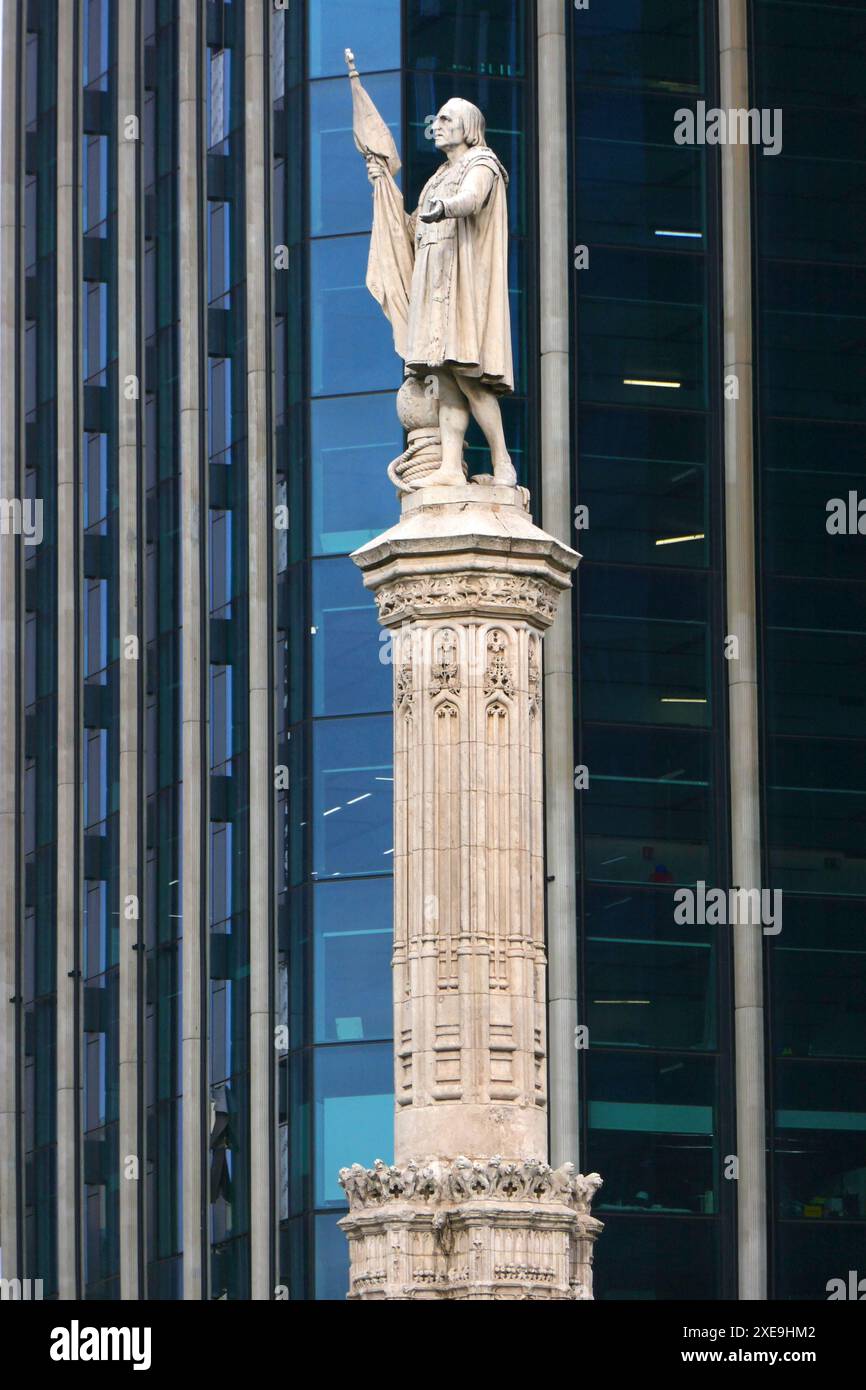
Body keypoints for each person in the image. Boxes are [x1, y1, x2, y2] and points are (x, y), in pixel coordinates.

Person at [365, 98, 516, 487]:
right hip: (434, 286)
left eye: (447, 119)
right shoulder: (437, 176)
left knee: (470, 378)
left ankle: (503, 464)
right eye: (437, 120)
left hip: (461, 288)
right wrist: (383, 188)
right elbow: (413, 228)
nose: (438, 125)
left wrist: (445, 208)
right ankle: (450, 466)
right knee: (445, 379)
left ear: (467, 126)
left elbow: (470, 199)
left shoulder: (483, 164)